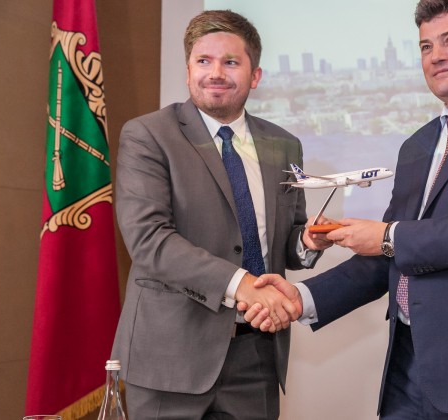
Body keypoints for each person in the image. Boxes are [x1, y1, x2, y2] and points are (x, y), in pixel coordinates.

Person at [242, 0, 448, 418]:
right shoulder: (418, 144)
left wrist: (385, 236)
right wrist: (302, 297)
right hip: (409, 372)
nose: (436, 55)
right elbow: (391, 255)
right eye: (425, 46)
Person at [110, 10, 331, 419]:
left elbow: (283, 238)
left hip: (256, 355)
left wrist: (306, 242)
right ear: (188, 70)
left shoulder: (284, 145)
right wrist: (242, 284)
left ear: (255, 75)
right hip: (170, 357)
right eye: (203, 61)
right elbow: (149, 240)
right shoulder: (148, 135)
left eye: (230, 62)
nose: (215, 73)